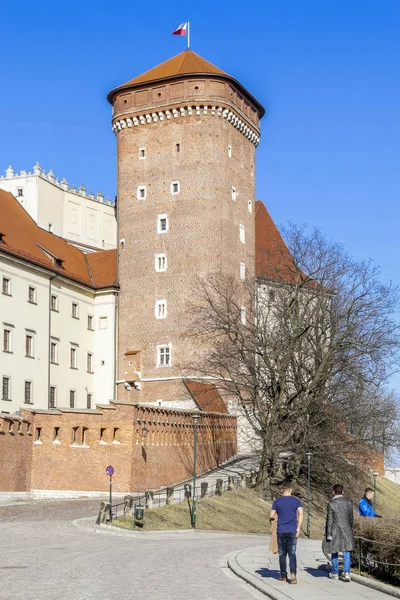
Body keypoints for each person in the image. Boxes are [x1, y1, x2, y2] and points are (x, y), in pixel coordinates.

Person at [270, 481, 303, 584]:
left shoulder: (277, 502)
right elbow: (301, 513)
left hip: (281, 530)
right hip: (293, 530)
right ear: (291, 490)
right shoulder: (296, 501)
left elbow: (271, 515)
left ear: (282, 490)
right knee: (292, 553)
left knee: (282, 554)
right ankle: (293, 574)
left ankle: (283, 575)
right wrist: (298, 528)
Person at [325, 484, 355, 582]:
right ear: (343, 492)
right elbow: (351, 518)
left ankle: (335, 573)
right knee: (346, 552)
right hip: (347, 529)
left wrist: (328, 533)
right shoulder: (349, 503)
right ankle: (347, 573)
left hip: (335, 530)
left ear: (333, 492)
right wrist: (350, 528)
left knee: (334, 551)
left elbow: (329, 520)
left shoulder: (331, 504)